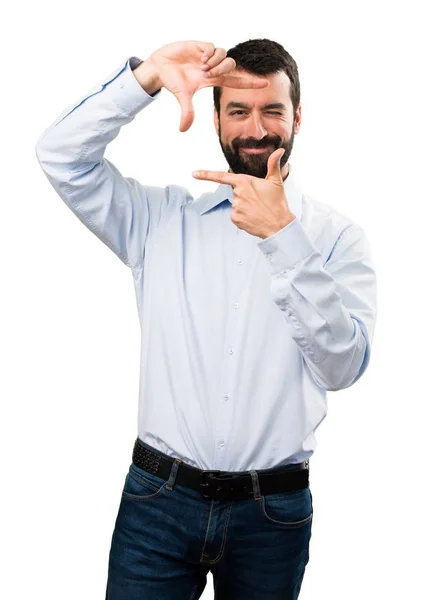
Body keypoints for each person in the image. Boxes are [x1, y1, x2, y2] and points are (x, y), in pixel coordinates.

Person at [35, 38, 378, 599]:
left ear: (298, 117)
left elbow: (342, 368)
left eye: (272, 110)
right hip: (157, 504)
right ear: (215, 118)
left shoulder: (337, 239)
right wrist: (144, 79)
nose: (256, 129)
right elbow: (60, 157)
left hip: (274, 515)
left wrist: (285, 240)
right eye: (238, 111)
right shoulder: (159, 222)